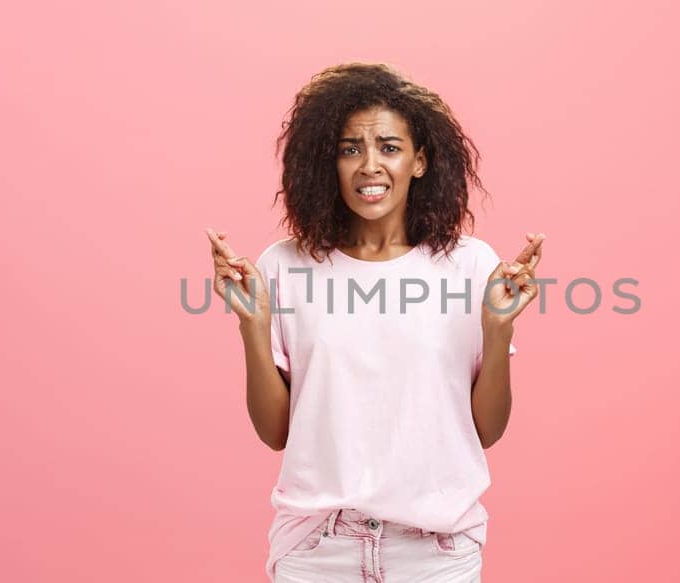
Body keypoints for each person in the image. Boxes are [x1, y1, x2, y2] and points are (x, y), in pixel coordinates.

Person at [205, 62, 545, 582]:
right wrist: (252, 327)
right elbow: (275, 434)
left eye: (389, 147)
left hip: (436, 554)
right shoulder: (283, 266)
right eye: (350, 149)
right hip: (318, 550)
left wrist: (499, 333)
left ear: (421, 161)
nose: (369, 165)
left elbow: (487, 430)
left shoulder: (471, 266)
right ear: (329, 162)